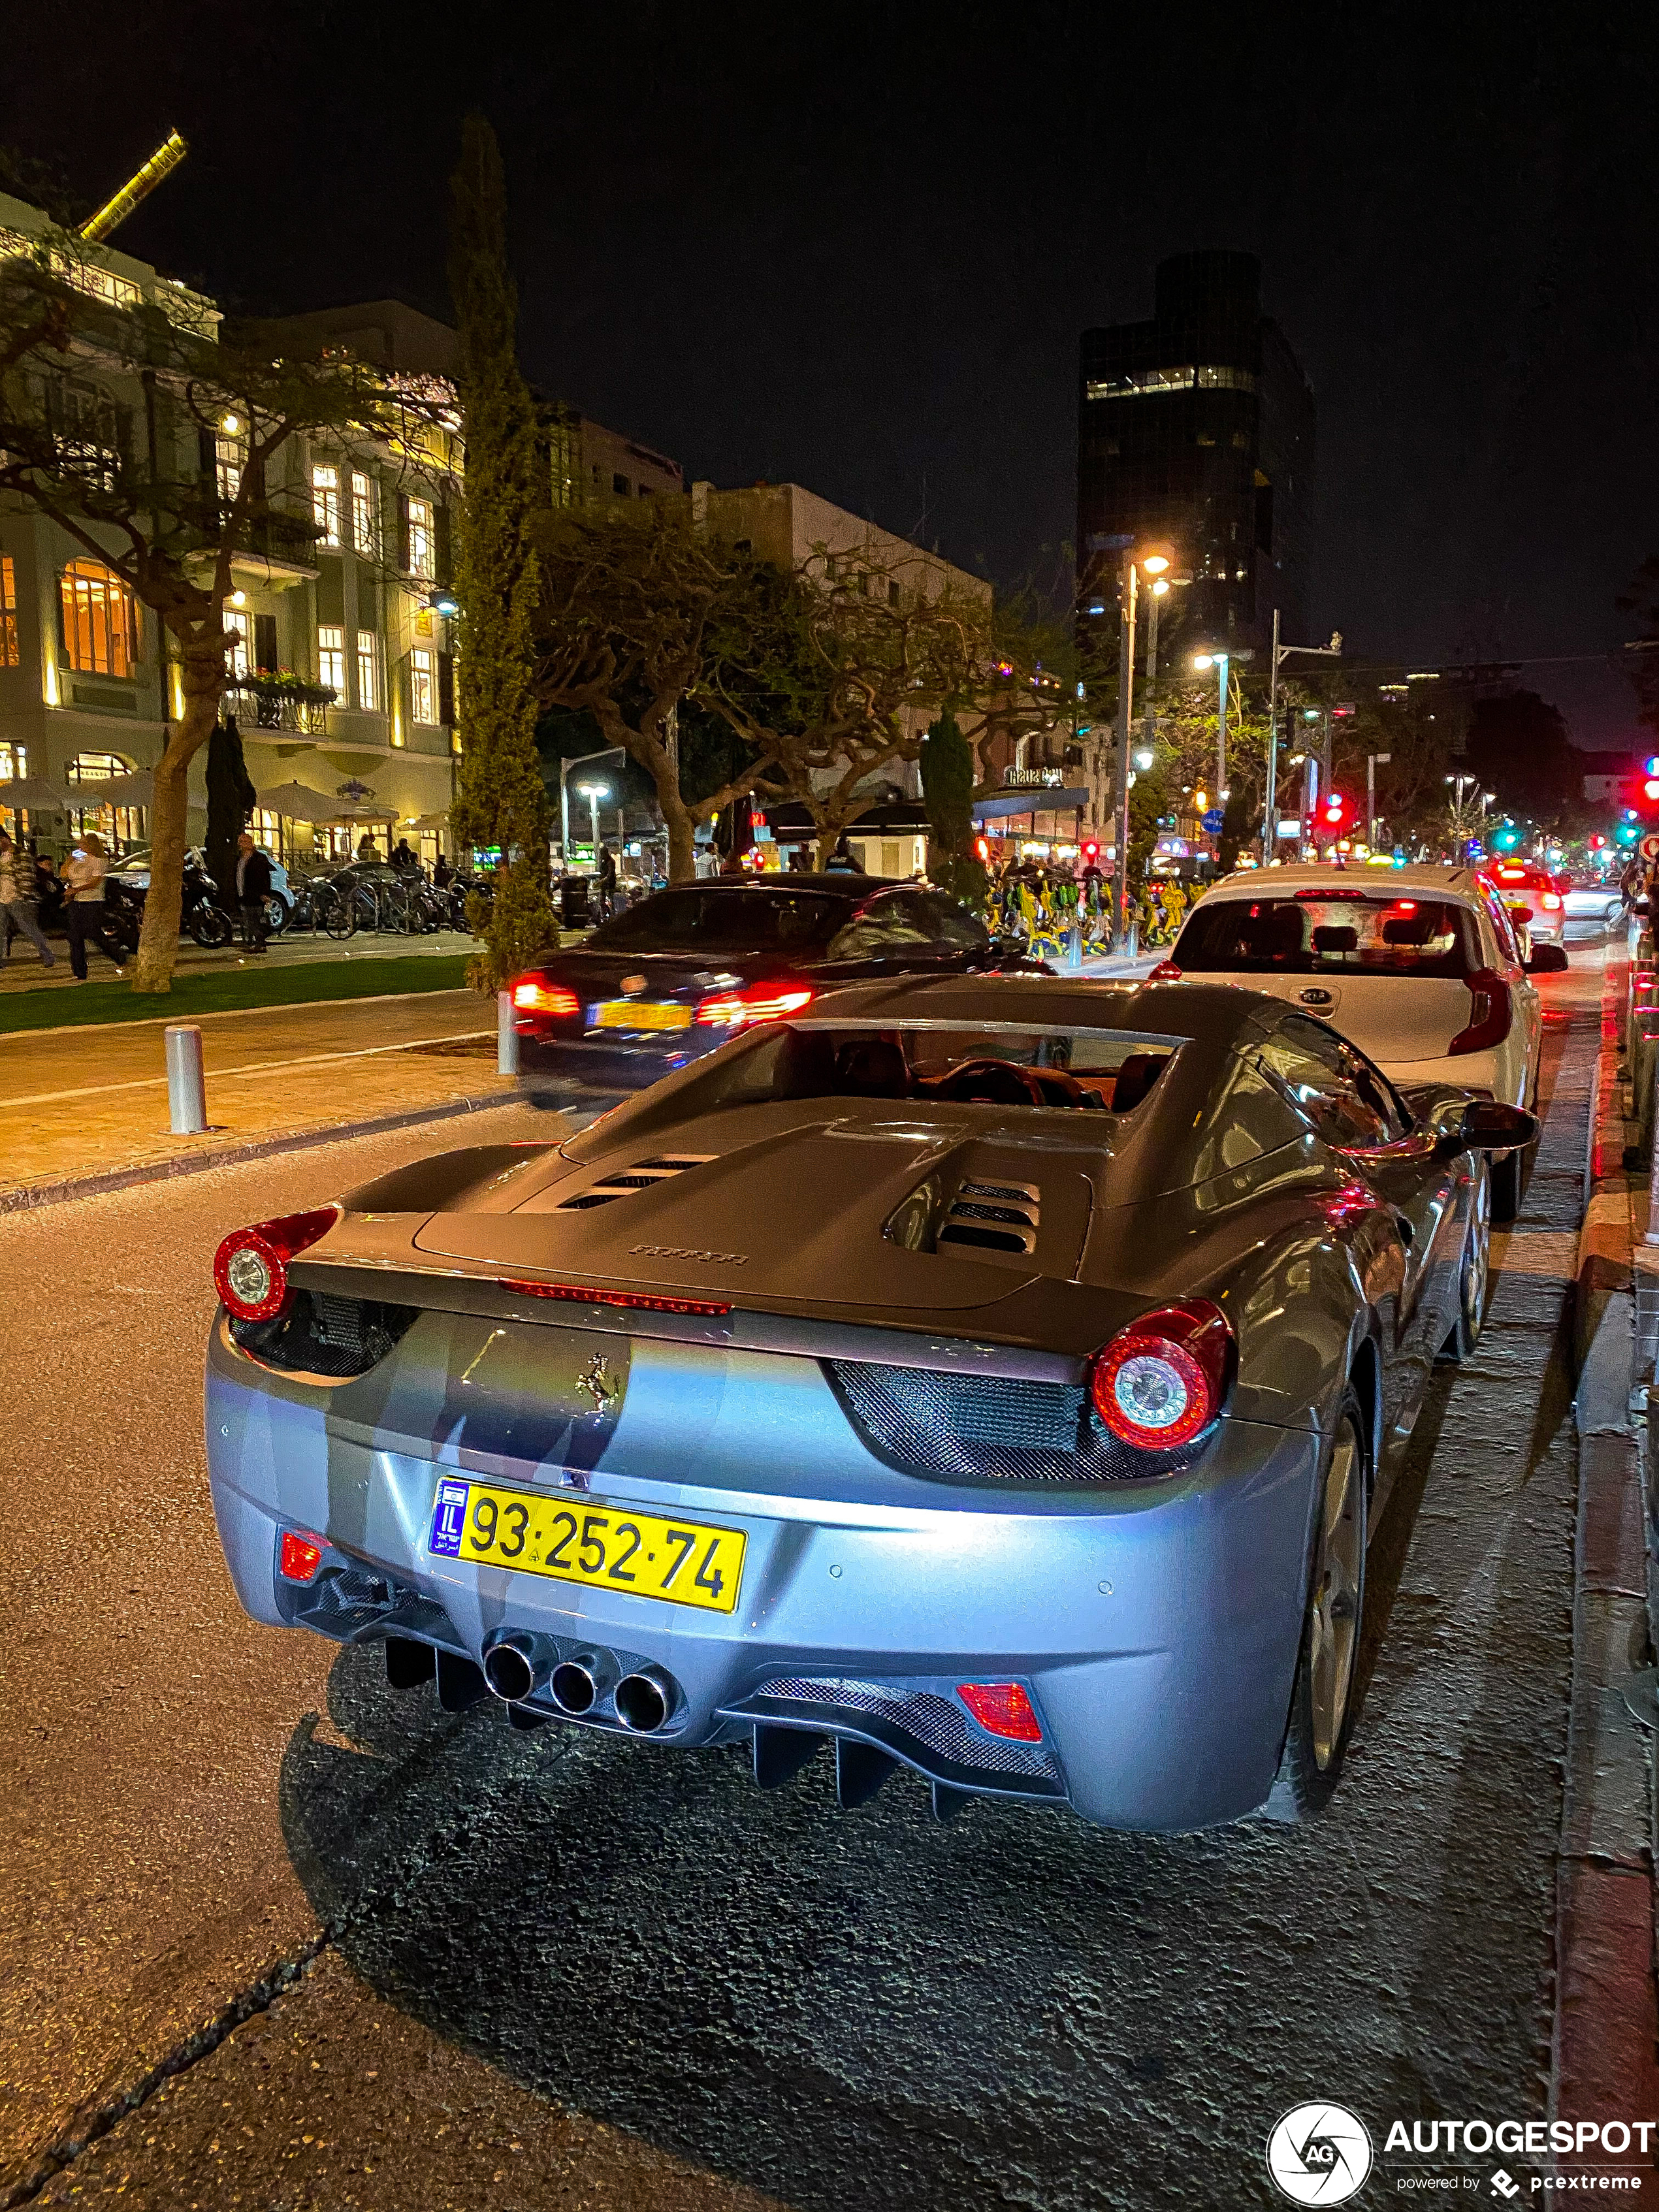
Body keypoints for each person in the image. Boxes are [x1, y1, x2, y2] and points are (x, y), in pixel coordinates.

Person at [60, 833, 114, 981]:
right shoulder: (79, 860)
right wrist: (69, 860)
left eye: (84, 844)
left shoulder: (99, 861)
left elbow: (95, 882)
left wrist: (77, 889)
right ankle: (79, 971)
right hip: (76, 901)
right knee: (75, 936)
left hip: (92, 900)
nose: (81, 847)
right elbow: (64, 873)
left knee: (93, 932)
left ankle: (117, 956)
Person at [0, 828, 55, 969]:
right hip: (3, 897)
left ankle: (47, 953)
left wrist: (22, 895)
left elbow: (27, 876)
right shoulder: (4, 855)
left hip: (18, 898)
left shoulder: (20, 854)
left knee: (29, 928)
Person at [234, 832, 272, 954]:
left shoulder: (259, 858)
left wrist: (265, 893)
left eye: (245, 841)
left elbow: (264, 877)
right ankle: (251, 942)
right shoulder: (240, 858)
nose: (242, 844)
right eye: (240, 841)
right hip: (244, 893)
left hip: (255, 894)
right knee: (248, 919)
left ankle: (260, 943)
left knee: (254, 920)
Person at [596, 840, 618, 916]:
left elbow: (610, 875)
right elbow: (601, 874)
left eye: (602, 854)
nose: (602, 855)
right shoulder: (603, 863)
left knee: (611, 901)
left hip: (610, 885)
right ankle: (603, 914)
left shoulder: (611, 862)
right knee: (601, 901)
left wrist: (601, 881)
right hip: (604, 886)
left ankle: (611, 914)